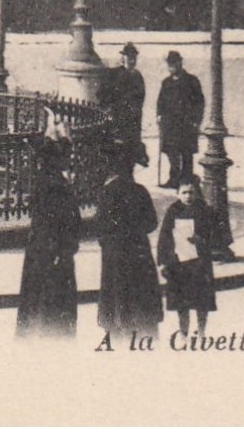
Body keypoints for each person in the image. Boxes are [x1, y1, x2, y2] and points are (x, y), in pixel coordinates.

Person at [15, 132, 81, 340]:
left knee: (36, 296)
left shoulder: (44, 182)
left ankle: (34, 334)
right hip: (54, 250)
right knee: (52, 299)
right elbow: (65, 221)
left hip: (41, 248)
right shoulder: (56, 186)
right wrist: (64, 247)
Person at [96, 144, 164, 340]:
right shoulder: (140, 191)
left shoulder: (106, 192)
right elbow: (151, 223)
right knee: (140, 294)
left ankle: (118, 331)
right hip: (139, 251)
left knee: (116, 293)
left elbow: (100, 226)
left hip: (114, 253)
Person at [156, 176, 217, 337]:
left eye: (191, 192)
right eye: (184, 193)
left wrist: (202, 240)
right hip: (178, 263)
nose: (188, 196)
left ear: (197, 193)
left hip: (199, 263)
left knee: (201, 301)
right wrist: (162, 261)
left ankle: (202, 331)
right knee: (181, 302)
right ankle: (183, 333)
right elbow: (164, 237)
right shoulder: (173, 211)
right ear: (177, 194)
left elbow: (215, 235)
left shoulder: (204, 210)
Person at [155, 51, 204, 188]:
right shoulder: (166, 83)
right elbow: (161, 102)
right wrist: (159, 115)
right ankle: (174, 179)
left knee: (187, 152)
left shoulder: (192, 81)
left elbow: (199, 103)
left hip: (187, 124)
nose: (172, 67)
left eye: (175, 63)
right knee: (171, 152)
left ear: (180, 63)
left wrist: (196, 121)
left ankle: (187, 179)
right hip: (170, 124)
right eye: (170, 64)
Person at [100, 42, 149, 168]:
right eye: (129, 57)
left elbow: (141, 98)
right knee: (119, 151)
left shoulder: (138, 76)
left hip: (134, 121)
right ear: (123, 58)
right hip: (118, 119)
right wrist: (110, 109)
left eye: (134, 57)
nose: (132, 60)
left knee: (131, 153)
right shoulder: (114, 74)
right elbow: (103, 95)